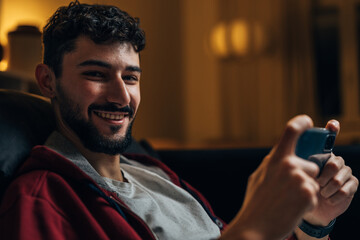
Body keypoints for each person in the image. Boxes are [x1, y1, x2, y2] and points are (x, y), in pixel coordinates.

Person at [0, 1, 358, 239]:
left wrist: (313, 223)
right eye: (96, 74)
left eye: (131, 77)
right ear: (47, 80)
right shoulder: (40, 198)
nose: (122, 97)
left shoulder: (154, 172)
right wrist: (252, 230)